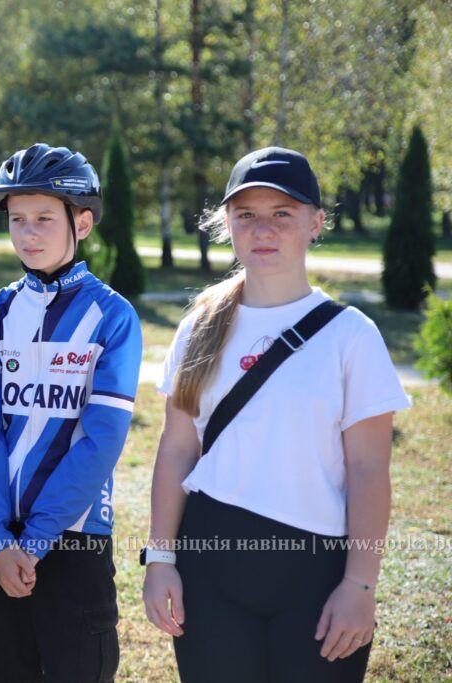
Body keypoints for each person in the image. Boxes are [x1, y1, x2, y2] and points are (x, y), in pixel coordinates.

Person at [143, 147, 411, 682]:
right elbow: (176, 450)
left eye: (282, 214)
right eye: (246, 215)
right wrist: (161, 560)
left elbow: (367, 470)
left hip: (317, 570)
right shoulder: (199, 327)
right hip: (209, 563)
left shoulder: (350, 335)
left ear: (315, 223)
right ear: (227, 225)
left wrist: (360, 585)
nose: (263, 230)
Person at [0, 143, 142, 682]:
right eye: (17, 219)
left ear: (82, 222)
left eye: (44, 218)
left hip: (75, 536)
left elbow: (100, 441)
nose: (28, 233)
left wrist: (36, 540)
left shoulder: (113, 317)